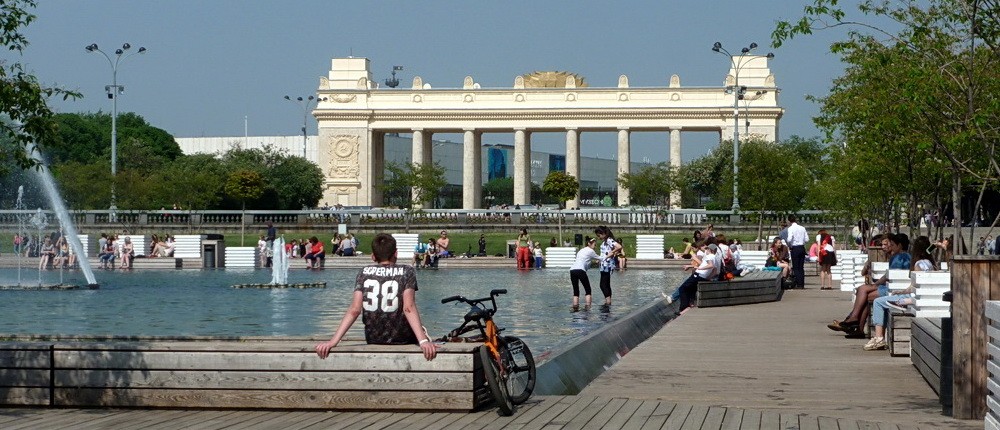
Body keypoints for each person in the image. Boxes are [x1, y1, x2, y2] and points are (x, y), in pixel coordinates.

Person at [314, 233, 436, 361]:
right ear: (396, 253)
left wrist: (333, 341)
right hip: (403, 339)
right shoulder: (407, 271)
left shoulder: (363, 272)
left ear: (373, 256)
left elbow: (355, 310)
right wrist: (423, 341)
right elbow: (408, 307)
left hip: (374, 338)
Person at [828, 233, 911, 336]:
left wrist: (875, 285)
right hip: (892, 287)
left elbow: (892, 276)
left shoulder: (900, 257)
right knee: (863, 292)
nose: (889, 247)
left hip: (895, 289)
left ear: (900, 246)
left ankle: (854, 320)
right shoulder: (902, 256)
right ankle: (856, 325)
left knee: (863, 291)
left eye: (892, 244)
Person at [864, 236, 936, 351]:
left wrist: (903, 296)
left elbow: (914, 288)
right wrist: (901, 291)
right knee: (885, 300)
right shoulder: (929, 263)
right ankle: (879, 337)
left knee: (878, 302)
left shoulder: (918, 265)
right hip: (919, 298)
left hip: (913, 299)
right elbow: (916, 286)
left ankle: (878, 338)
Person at [569, 236, 600, 309]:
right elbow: (601, 258)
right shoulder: (591, 251)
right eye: (594, 245)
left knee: (576, 291)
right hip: (580, 270)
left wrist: (595, 262)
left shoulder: (581, 250)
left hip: (572, 270)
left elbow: (586, 264)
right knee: (588, 290)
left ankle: (575, 308)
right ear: (589, 244)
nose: (595, 246)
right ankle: (588, 307)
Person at [594, 226, 622, 306]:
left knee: (602, 284)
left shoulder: (609, 240)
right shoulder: (605, 241)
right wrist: (599, 259)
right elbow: (605, 252)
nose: (598, 237)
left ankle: (608, 301)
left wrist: (612, 252)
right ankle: (608, 301)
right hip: (604, 264)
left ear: (604, 233)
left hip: (607, 265)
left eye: (599, 235)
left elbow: (619, 246)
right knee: (606, 284)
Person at [786, 215, 808, 289]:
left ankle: (798, 284)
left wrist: (789, 245)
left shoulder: (790, 228)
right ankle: (802, 283)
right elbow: (807, 239)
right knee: (801, 267)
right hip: (802, 247)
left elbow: (789, 239)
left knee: (796, 267)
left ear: (789, 221)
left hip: (795, 247)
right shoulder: (802, 228)